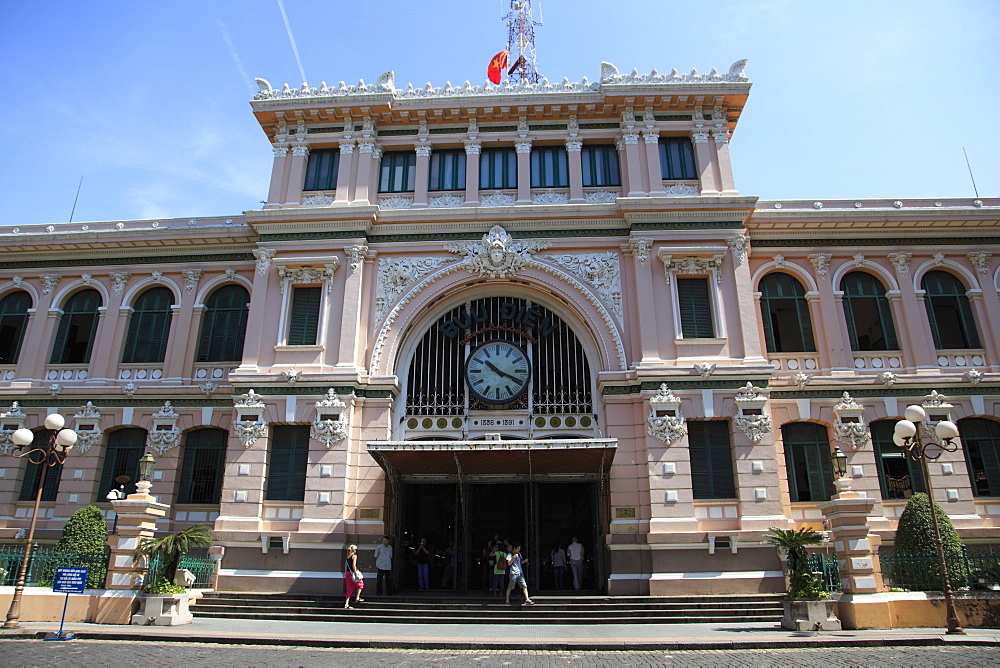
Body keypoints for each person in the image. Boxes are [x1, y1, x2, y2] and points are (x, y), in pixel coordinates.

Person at [343, 544, 364, 609]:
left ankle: (346, 604)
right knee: (360, 584)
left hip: (347, 573)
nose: (356, 550)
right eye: (355, 549)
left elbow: (346, 566)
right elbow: (354, 565)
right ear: (353, 550)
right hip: (352, 573)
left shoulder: (348, 556)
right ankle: (357, 597)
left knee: (349, 589)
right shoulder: (354, 556)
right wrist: (356, 573)